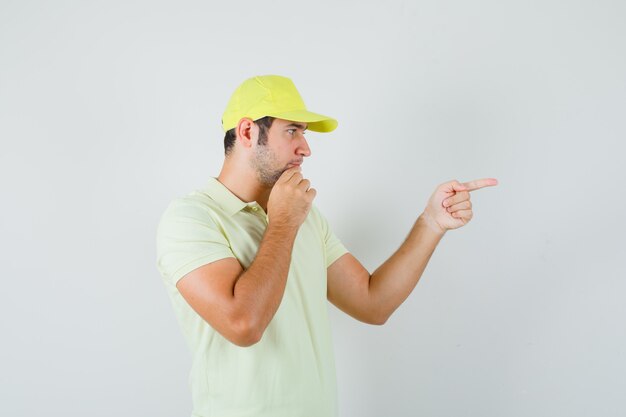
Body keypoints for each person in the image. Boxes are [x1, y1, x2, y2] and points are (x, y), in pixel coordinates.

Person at [156, 74, 498, 417]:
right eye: (292, 131)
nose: (305, 148)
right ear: (247, 132)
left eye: (304, 133)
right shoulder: (192, 218)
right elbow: (244, 324)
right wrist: (284, 223)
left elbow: (372, 303)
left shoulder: (304, 217)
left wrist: (431, 223)